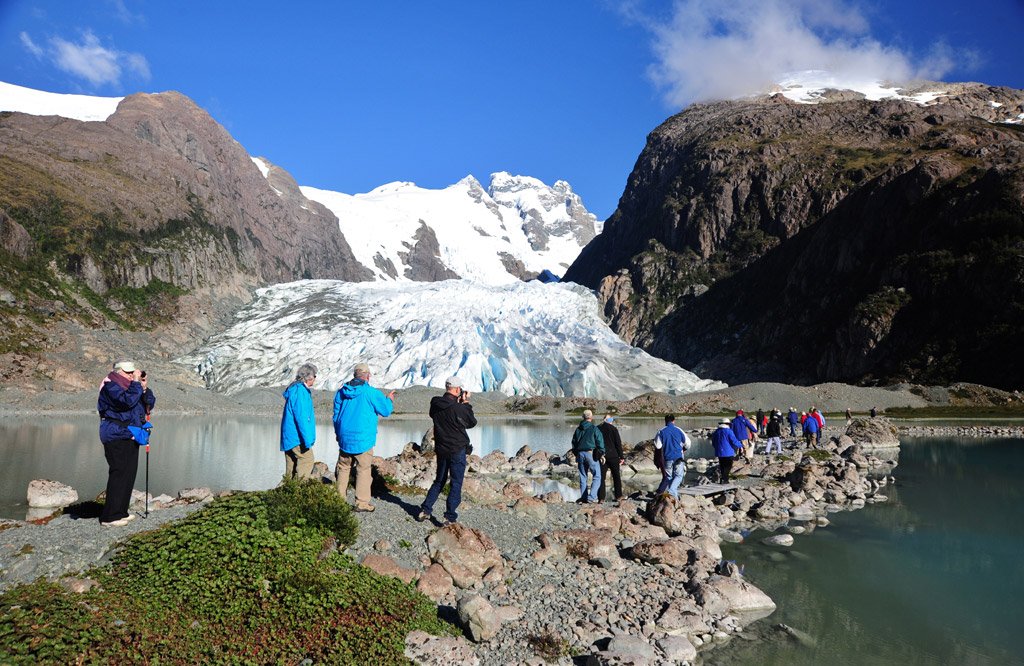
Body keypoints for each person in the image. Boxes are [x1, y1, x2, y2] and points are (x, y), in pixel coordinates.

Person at [334, 362, 395, 512]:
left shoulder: (341, 392)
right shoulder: (371, 393)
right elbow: (386, 411)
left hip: (345, 438)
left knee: (343, 468)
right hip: (363, 440)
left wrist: (338, 434)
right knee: (363, 469)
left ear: (355, 375)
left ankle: (338, 501)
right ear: (367, 376)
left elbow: (336, 416)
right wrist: (389, 399)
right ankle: (361, 503)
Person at [97, 360, 150, 526]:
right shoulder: (110, 386)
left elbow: (149, 403)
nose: (131, 374)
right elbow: (124, 402)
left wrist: (144, 387)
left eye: (132, 372)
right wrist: (135, 384)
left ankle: (121, 512)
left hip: (130, 434)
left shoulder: (131, 387)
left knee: (129, 473)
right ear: (118, 372)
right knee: (119, 472)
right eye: (128, 372)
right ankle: (109, 516)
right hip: (115, 434)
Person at [419, 377, 477, 524]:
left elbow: (439, 413)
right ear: (458, 390)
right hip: (457, 449)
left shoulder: (436, 403)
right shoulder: (458, 407)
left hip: (441, 448)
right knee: (456, 483)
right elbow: (471, 422)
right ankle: (449, 516)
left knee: (439, 480)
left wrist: (458, 403)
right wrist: (466, 403)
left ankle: (425, 510)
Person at [281, 363, 318, 482]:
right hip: (297, 436)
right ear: (309, 377)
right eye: (315, 376)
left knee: (291, 464)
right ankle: (299, 493)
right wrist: (307, 440)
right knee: (307, 459)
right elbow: (302, 418)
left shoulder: (294, 389)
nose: (315, 379)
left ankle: (287, 493)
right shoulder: (300, 391)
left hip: (289, 436)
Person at [571, 409, 604, 504]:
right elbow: (600, 442)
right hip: (590, 453)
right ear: (591, 417)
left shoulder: (578, 429)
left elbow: (574, 443)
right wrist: (601, 453)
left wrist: (576, 453)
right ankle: (591, 497)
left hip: (580, 454)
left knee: (583, 476)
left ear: (583, 417)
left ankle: (584, 497)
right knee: (597, 476)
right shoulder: (594, 428)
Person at [654, 414, 690, 499]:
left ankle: (672, 494)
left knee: (668, 477)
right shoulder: (679, 430)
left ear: (665, 421)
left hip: (667, 458)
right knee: (678, 476)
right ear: (674, 421)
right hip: (678, 457)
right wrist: (683, 449)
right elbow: (688, 444)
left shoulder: (661, 431)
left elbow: (658, 446)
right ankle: (672, 492)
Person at [597, 415, 624, 502]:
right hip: (613, 455)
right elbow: (618, 443)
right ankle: (618, 496)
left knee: (601, 477)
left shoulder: (597, 428)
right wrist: (621, 456)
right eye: (611, 419)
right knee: (616, 476)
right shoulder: (613, 429)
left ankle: (601, 498)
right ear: (608, 420)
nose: (612, 420)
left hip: (602, 456)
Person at [711, 418, 744, 483]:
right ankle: (725, 479)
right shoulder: (729, 431)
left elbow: (713, 442)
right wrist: (740, 446)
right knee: (728, 466)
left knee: (722, 466)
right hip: (728, 452)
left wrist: (717, 448)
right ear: (727, 424)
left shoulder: (716, 432)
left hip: (719, 452)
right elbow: (734, 441)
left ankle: (723, 478)